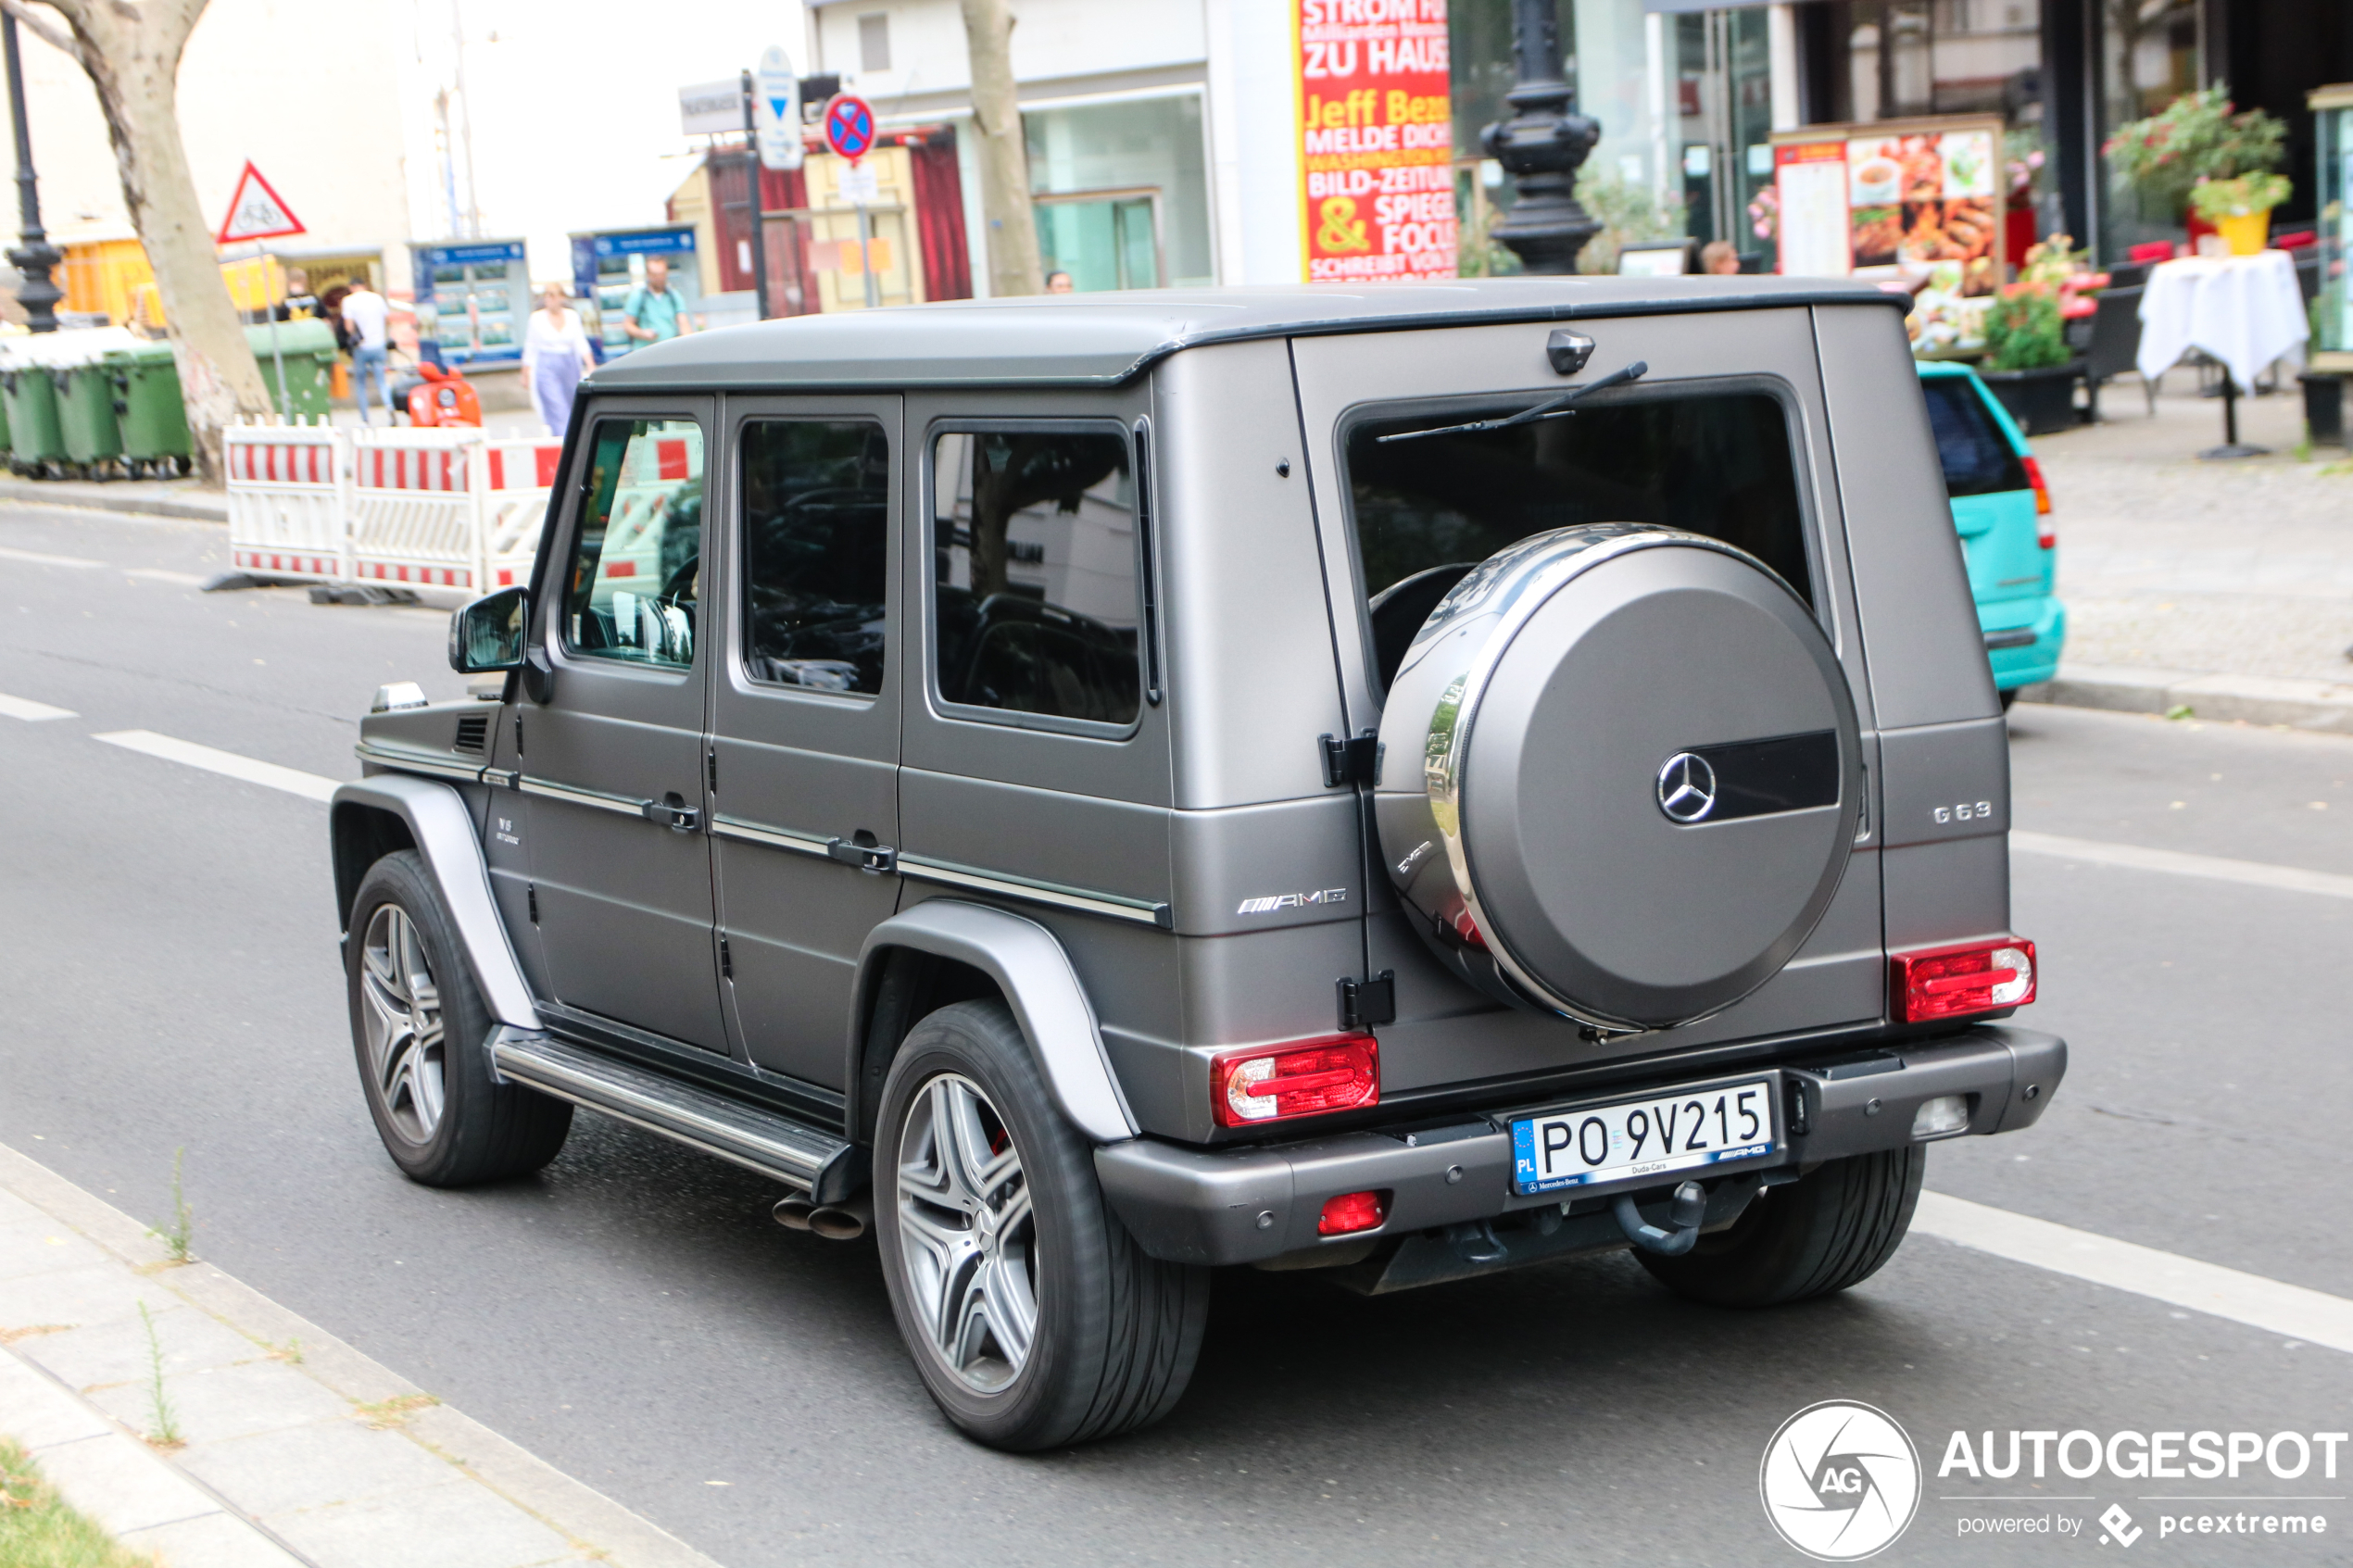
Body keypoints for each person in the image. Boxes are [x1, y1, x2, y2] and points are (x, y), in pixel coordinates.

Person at [521, 282, 594, 437]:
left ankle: (575, 437)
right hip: (546, 364)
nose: (551, 299)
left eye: (554, 295)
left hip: (569, 364)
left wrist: (590, 365)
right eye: (547, 295)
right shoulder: (537, 319)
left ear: (562, 297)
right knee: (556, 406)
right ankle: (562, 439)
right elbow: (530, 346)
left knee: (572, 404)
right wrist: (525, 373)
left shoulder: (572, 316)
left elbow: (580, 342)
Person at [339, 280, 394, 424]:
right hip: (378, 345)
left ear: (352, 287)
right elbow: (388, 320)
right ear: (365, 285)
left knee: (360, 384)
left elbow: (349, 327)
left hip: (361, 348)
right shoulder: (377, 298)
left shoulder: (348, 301)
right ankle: (389, 406)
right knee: (381, 381)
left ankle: (365, 418)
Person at [621, 257, 694, 345]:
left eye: (662, 274)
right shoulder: (638, 296)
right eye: (655, 275)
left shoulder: (673, 296)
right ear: (648, 275)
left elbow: (683, 323)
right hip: (645, 351)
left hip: (668, 350)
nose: (659, 278)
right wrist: (642, 333)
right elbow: (627, 325)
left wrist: (689, 343)